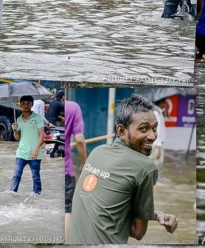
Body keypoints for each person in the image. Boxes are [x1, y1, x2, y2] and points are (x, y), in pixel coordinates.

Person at [67, 94, 178, 244]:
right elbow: (138, 232)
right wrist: (149, 214)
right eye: (143, 129)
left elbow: (106, 208)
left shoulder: (97, 152)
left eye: (154, 128)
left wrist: (155, 214)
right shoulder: (146, 168)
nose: (152, 136)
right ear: (121, 130)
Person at [10, 95, 44, 195]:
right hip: (21, 152)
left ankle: (37, 195)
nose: (26, 105)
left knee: (36, 177)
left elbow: (42, 135)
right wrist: (15, 130)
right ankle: (12, 194)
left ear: (32, 104)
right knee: (16, 175)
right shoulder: (19, 119)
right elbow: (17, 137)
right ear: (20, 105)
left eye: (28, 103)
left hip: (35, 153)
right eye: (23, 103)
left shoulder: (38, 118)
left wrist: (36, 149)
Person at [64, 100, 87, 241]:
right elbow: (79, 140)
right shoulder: (73, 107)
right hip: (65, 170)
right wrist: (85, 163)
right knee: (66, 209)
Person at [151, 97, 167, 164]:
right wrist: (158, 147)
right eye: (165, 102)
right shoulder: (156, 113)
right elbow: (157, 131)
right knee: (156, 167)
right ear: (161, 103)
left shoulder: (157, 112)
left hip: (156, 144)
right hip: (155, 145)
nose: (166, 104)